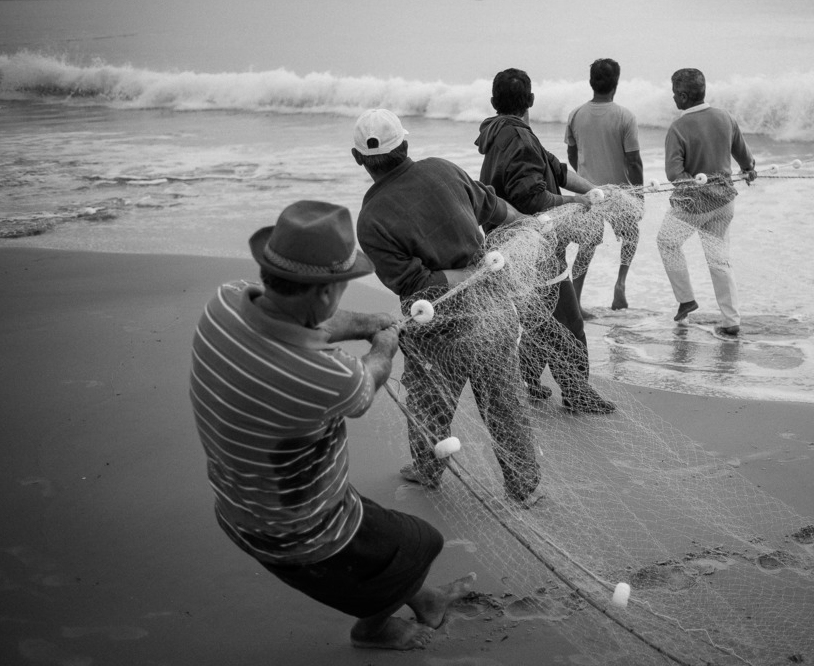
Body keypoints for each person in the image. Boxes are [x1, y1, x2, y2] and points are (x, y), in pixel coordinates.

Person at [189, 200, 475, 651]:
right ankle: (372, 630)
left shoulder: (224, 302)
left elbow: (308, 317)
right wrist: (383, 345)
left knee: (388, 543)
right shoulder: (325, 374)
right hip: (295, 528)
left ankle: (425, 599)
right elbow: (367, 380)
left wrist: (371, 322)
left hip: (236, 500)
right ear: (325, 294)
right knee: (423, 543)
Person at [350, 108, 542, 505]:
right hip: (490, 308)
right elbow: (496, 209)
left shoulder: (370, 219)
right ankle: (523, 488)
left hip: (434, 323)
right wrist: (526, 225)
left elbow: (415, 284)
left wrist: (463, 274)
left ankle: (428, 470)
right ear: (405, 144)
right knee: (503, 401)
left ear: (358, 158)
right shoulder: (443, 169)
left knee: (428, 398)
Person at [475, 67, 615, 414]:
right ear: (532, 100)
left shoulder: (503, 132)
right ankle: (577, 393)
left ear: (493, 102)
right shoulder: (519, 139)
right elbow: (533, 197)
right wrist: (575, 201)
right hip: (529, 244)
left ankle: (527, 381)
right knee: (568, 320)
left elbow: (557, 169)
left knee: (540, 317)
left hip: (509, 243)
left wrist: (596, 191)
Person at [656, 68, 757, 336]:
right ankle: (731, 319)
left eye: (675, 93)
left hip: (694, 206)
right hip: (724, 202)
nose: (673, 97)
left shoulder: (678, 128)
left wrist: (695, 188)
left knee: (667, 242)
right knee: (719, 259)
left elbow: (674, 174)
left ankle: (686, 300)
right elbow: (745, 158)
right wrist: (749, 169)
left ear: (683, 96)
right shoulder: (726, 117)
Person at [564, 57, 644, 314]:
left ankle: (576, 301)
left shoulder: (576, 114)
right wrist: (638, 194)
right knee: (630, 235)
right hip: (618, 192)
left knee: (586, 246)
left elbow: (571, 153)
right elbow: (634, 161)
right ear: (616, 83)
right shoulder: (625, 116)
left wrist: (583, 178)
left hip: (588, 192)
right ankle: (620, 284)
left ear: (591, 83)